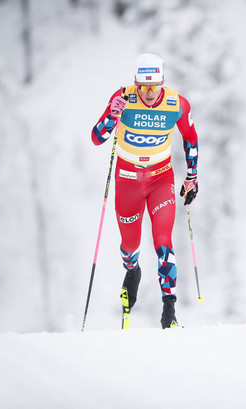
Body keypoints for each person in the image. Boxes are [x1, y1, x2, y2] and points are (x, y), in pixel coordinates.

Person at [91, 53, 199, 329]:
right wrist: (112, 115)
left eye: (155, 87)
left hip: (161, 179)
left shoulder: (176, 103)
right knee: (130, 247)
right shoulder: (123, 98)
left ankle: (169, 310)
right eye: (144, 87)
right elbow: (97, 137)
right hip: (127, 180)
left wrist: (192, 178)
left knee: (163, 241)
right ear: (135, 84)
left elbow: (190, 137)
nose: (150, 94)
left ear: (162, 83)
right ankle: (132, 270)